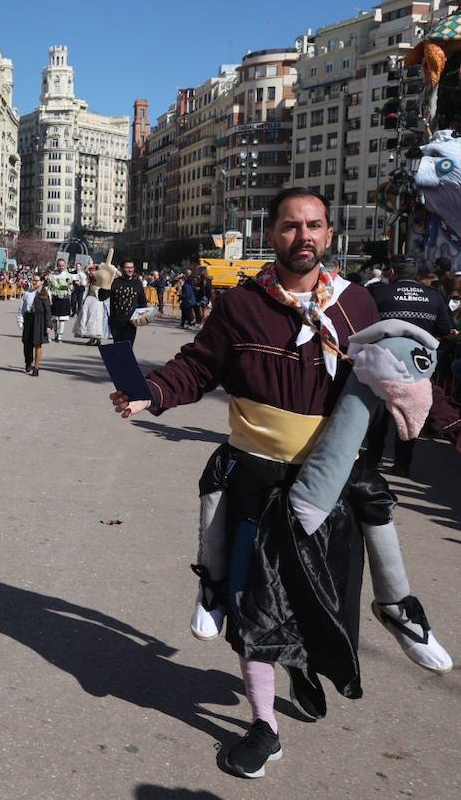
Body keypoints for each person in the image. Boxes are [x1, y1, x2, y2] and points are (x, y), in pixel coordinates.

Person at [110, 187, 452, 779]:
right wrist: (152, 393)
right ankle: (264, 725)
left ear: (330, 234)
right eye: (292, 226)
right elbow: (199, 365)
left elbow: (404, 376)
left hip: (333, 486)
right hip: (257, 481)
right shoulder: (242, 305)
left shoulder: (358, 309)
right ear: (271, 235)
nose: (305, 236)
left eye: (315, 225)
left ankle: (312, 657)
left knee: (324, 600)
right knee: (253, 604)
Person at [363, 258, 455, 477]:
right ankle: (402, 464)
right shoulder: (434, 296)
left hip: (384, 359)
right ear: (416, 275)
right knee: (410, 413)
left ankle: (373, 459)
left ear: (393, 272)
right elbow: (444, 328)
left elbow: (365, 324)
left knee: (381, 412)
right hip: (419, 363)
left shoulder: (379, 294)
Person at [104, 258, 146, 347]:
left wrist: (140, 318)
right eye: (127, 267)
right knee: (118, 347)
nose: (130, 270)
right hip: (116, 322)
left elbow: (143, 302)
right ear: (122, 268)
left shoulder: (137, 283)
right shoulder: (115, 282)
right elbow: (102, 297)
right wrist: (104, 283)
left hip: (130, 323)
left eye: (131, 267)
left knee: (128, 348)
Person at [19, 274, 50, 375]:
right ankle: (28, 362)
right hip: (29, 318)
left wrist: (48, 324)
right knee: (27, 343)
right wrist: (20, 319)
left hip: (39, 320)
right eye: (33, 280)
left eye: (36, 280)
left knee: (38, 344)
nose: (34, 282)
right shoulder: (28, 293)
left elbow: (48, 311)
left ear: (41, 281)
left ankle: (36, 368)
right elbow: (22, 307)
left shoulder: (45, 294)